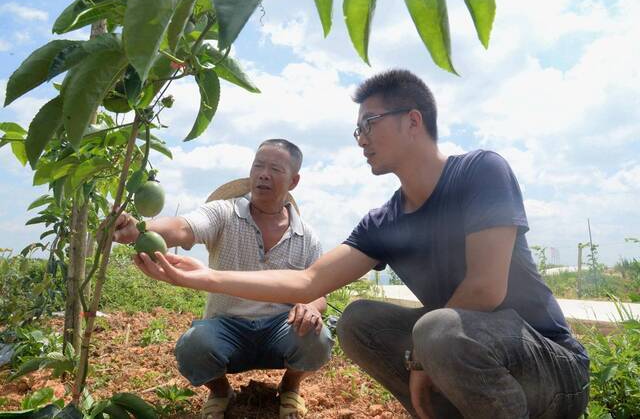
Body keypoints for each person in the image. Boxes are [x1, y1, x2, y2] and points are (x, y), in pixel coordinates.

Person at [133, 70, 590, 418]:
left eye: (369, 123)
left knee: (436, 331)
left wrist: (418, 358)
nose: (361, 140)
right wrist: (203, 275)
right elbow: (310, 280)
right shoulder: (386, 220)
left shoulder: (480, 171)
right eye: (357, 130)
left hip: (549, 366)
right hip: (474, 360)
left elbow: (487, 290)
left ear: (413, 121)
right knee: (358, 321)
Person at [114, 139, 332, 419]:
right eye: (258, 166)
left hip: (281, 327)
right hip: (227, 327)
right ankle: (220, 391)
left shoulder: (307, 236)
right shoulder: (224, 212)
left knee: (318, 336)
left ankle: (290, 387)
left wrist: (312, 307)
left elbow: (320, 289)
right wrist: (140, 228)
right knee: (194, 345)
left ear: (294, 181)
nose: (263, 173)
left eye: (275, 168)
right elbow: (183, 227)